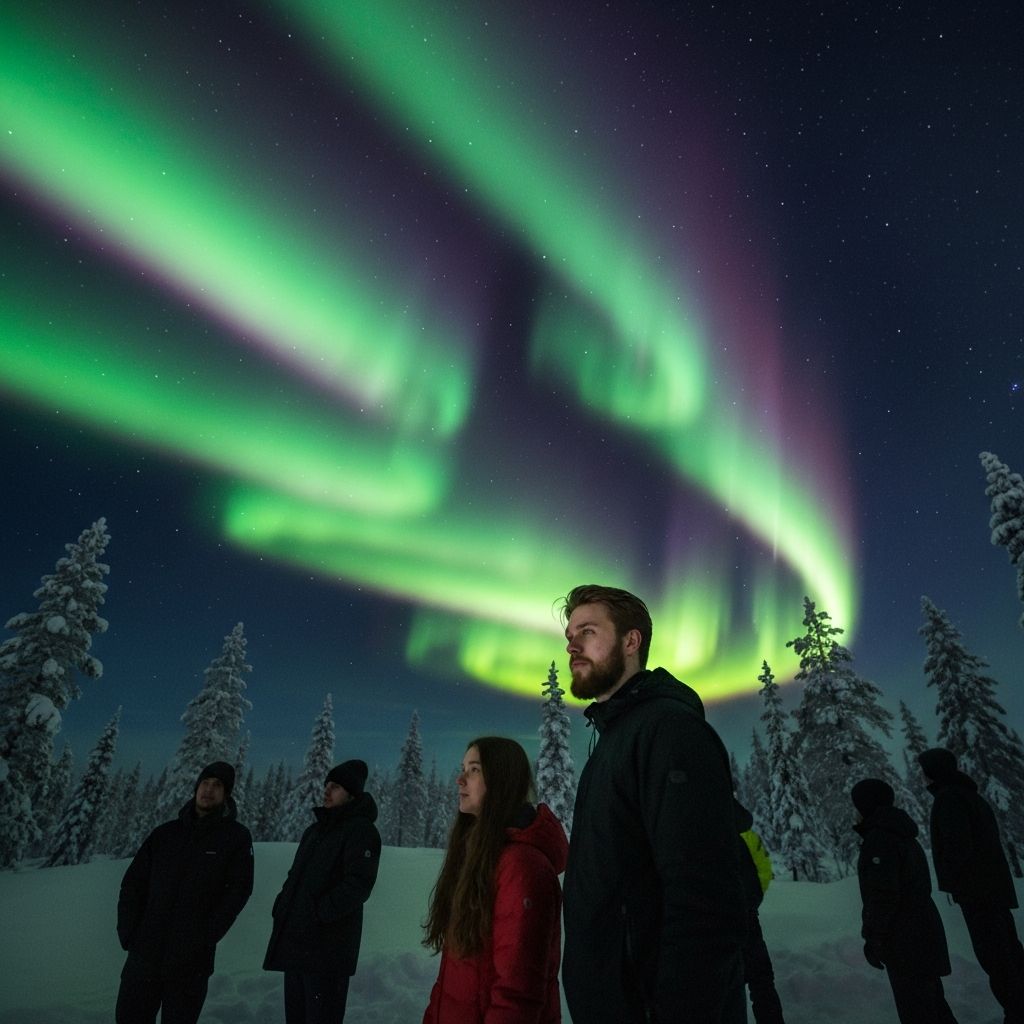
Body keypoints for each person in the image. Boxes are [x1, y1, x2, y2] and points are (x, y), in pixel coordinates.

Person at [559, 584, 747, 1024]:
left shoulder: (669, 732)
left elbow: (706, 903)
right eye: (569, 635)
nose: (571, 645)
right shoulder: (615, 740)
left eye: (587, 631)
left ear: (631, 641)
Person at [422, 736, 568, 1023]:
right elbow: (451, 982)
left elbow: (516, 994)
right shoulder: (481, 855)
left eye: (474, 769)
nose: (460, 780)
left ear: (501, 779)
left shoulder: (521, 866)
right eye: (463, 769)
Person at [116, 760, 254, 1024]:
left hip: (190, 962)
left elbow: (238, 891)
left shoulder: (235, 838)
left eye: (217, 785)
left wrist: (205, 937)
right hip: (144, 954)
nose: (208, 790)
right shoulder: (165, 834)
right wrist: (129, 931)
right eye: (205, 783)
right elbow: (133, 884)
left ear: (226, 794)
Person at [264, 759, 382, 1024]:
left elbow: (358, 884)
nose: (327, 791)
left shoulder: (362, 831)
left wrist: (318, 913)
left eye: (336, 787)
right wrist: (282, 906)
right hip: (297, 946)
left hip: (328, 952)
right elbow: (295, 877)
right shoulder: (315, 831)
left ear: (351, 794)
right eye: (327, 785)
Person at [919, 747, 1024, 1023]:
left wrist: (957, 881)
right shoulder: (970, 796)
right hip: (993, 891)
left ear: (933, 771)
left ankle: (1017, 1012)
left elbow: (958, 846)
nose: (922, 776)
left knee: (997, 958)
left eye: (924, 770)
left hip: (978, 894)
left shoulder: (948, 799)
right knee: (1010, 952)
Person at [851, 777, 958, 1024]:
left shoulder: (880, 840)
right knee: (933, 1007)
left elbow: (883, 895)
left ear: (866, 806)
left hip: (905, 941)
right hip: (921, 934)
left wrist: (874, 937)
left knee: (918, 1011)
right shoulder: (901, 834)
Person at [734, 800, 786, 1024]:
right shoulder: (745, 834)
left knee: (727, 984)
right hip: (748, 918)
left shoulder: (695, 832)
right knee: (761, 981)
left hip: (716, 924)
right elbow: (763, 871)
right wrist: (751, 903)